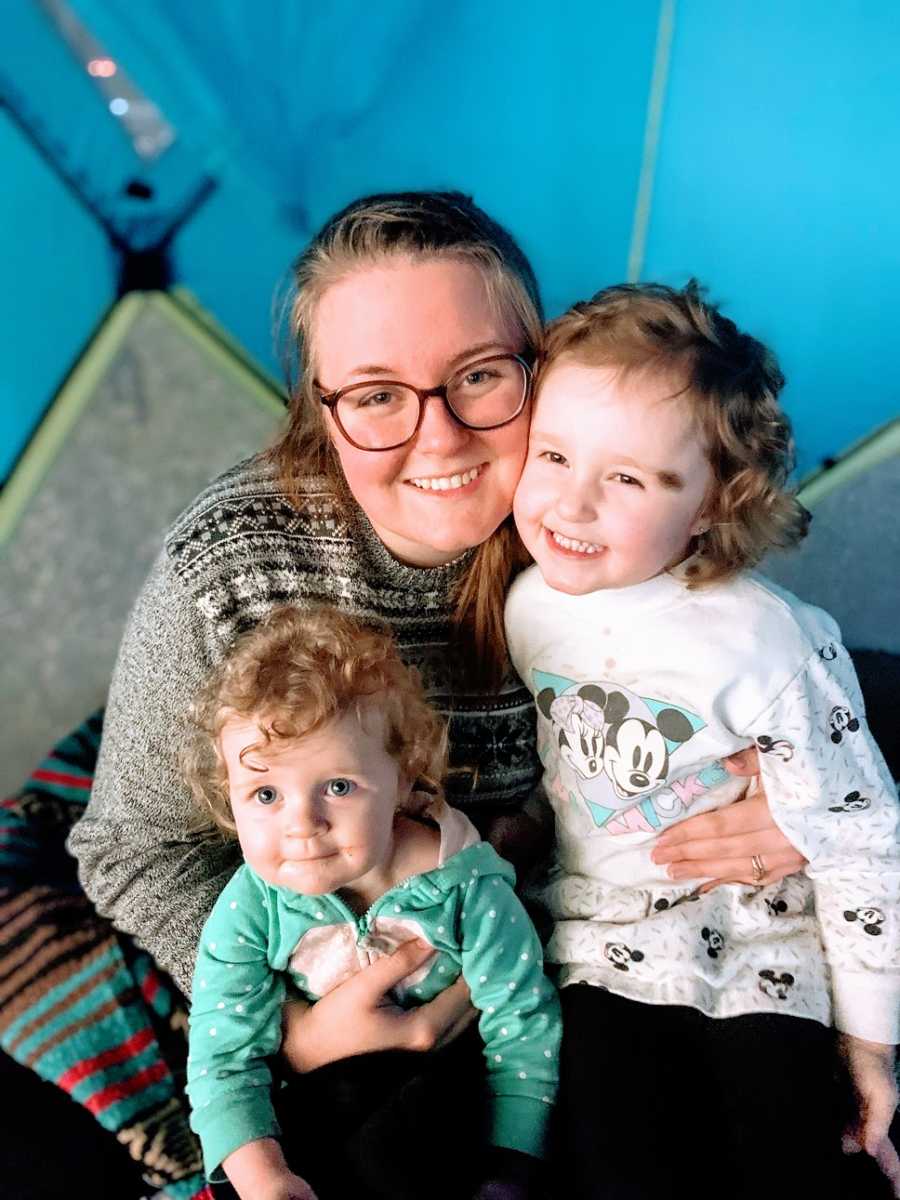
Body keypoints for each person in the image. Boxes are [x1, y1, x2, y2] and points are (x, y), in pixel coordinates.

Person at [31, 191, 797, 1195]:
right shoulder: (228, 572)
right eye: (378, 394)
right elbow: (132, 846)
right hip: (329, 940)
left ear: (544, 368)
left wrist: (785, 809)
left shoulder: (611, 520)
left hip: (538, 940)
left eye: (480, 378)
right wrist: (290, 1018)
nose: (439, 438)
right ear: (321, 404)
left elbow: (760, 691)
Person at [504, 280, 900, 1200]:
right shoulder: (526, 607)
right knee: (620, 1164)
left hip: (768, 948)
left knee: (795, 1155)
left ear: (716, 502)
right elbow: (553, 764)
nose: (573, 503)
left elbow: (859, 833)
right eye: (554, 454)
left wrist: (872, 1044)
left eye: (629, 478)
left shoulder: (771, 644)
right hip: (599, 949)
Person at [182, 605, 560, 1200]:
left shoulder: (467, 887)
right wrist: (264, 1177)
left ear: (407, 778)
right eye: (265, 793)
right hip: (315, 1106)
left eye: (338, 787)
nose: (302, 825)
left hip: (452, 1102)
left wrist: (508, 1169)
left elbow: (523, 1029)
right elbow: (222, 1060)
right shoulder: (250, 907)